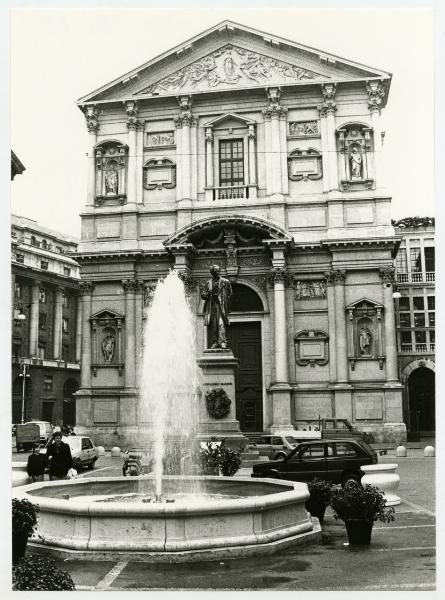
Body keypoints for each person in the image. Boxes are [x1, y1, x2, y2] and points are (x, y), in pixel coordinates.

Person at [201, 265, 232, 349]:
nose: (217, 273)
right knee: (214, 325)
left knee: (221, 323)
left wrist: (227, 307)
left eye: (218, 271)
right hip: (212, 306)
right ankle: (215, 342)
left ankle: (222, 342)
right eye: (215, 271)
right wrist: (205, 295)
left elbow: (230, 295)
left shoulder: (226, 282)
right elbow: (203, 294)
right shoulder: (208, 283)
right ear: (212, 273)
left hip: (221, 306)